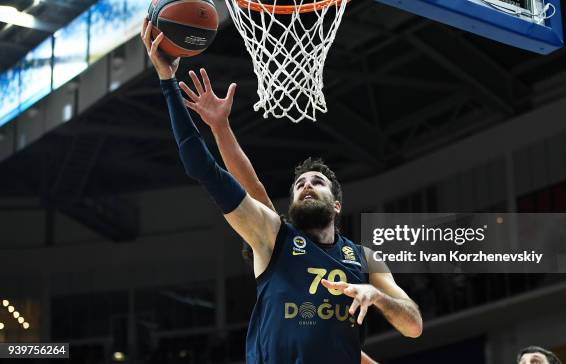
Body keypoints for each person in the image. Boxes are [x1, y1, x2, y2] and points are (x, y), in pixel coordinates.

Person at [141, 19, 423, 364]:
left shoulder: (364, 259)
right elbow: (204, 167)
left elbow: (413, 326)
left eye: (317, 182)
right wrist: (168, 81)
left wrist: (375, 295)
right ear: (290, 203)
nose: (307, 185)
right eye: (300, 184)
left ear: (335, 206)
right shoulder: (274, 236)